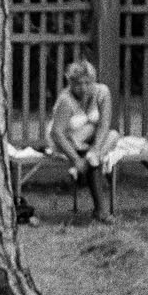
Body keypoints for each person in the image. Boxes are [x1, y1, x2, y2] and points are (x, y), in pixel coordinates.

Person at [48, 60, 119, 223]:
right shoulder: (66, 100)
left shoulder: (102, 92)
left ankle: (92, 157)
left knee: (113, 135)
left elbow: (104, 124)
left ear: (93, 81)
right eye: (79, 84)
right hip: (67, 142)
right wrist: (75, 159)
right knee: (94, 152)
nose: (84, 88)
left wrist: (95, 150)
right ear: (71, 83)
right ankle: (101, 212)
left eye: (88, 83)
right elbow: (56, 133)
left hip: (91, 142)